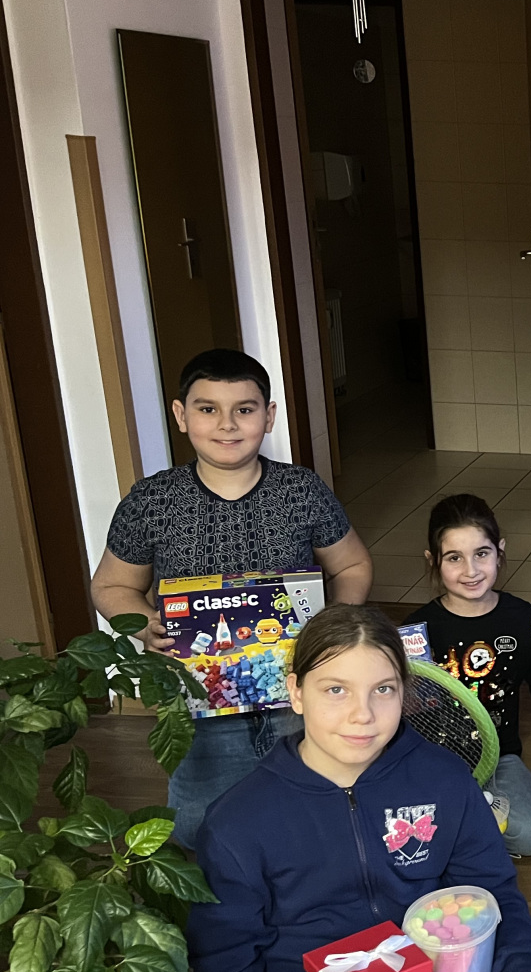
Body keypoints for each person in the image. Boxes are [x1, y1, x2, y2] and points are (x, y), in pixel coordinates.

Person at [187, 605, 531, 972]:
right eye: (336, 689)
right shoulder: (236, 824)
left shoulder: (444, 779)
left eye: (383, 689)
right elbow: (224, 965)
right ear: (296, 692)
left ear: (405, 692)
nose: (363, 714)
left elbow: (491, 893)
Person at [90, 349, 373, 848]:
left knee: (312, 813)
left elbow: (352, 566)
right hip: (200, 701)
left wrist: (332, 630)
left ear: (269, 416)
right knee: (201, 826)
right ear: (181, 415)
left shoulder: (301, 491)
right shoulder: (152, 501)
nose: (227, 424)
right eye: (208, 409)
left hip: (296, 693)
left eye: (244, 409)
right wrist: (145, 623)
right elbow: (111, 586)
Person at [405, 494, 531, 857]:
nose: (471, 570)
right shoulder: (416, 629)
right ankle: (468, 819)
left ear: (500, 551)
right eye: (454, 558)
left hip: (499, 758)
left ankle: (460, 824)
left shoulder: (522, 618)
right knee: (404, 828)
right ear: (433, 560)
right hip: (433, 762)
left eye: (482, 553)